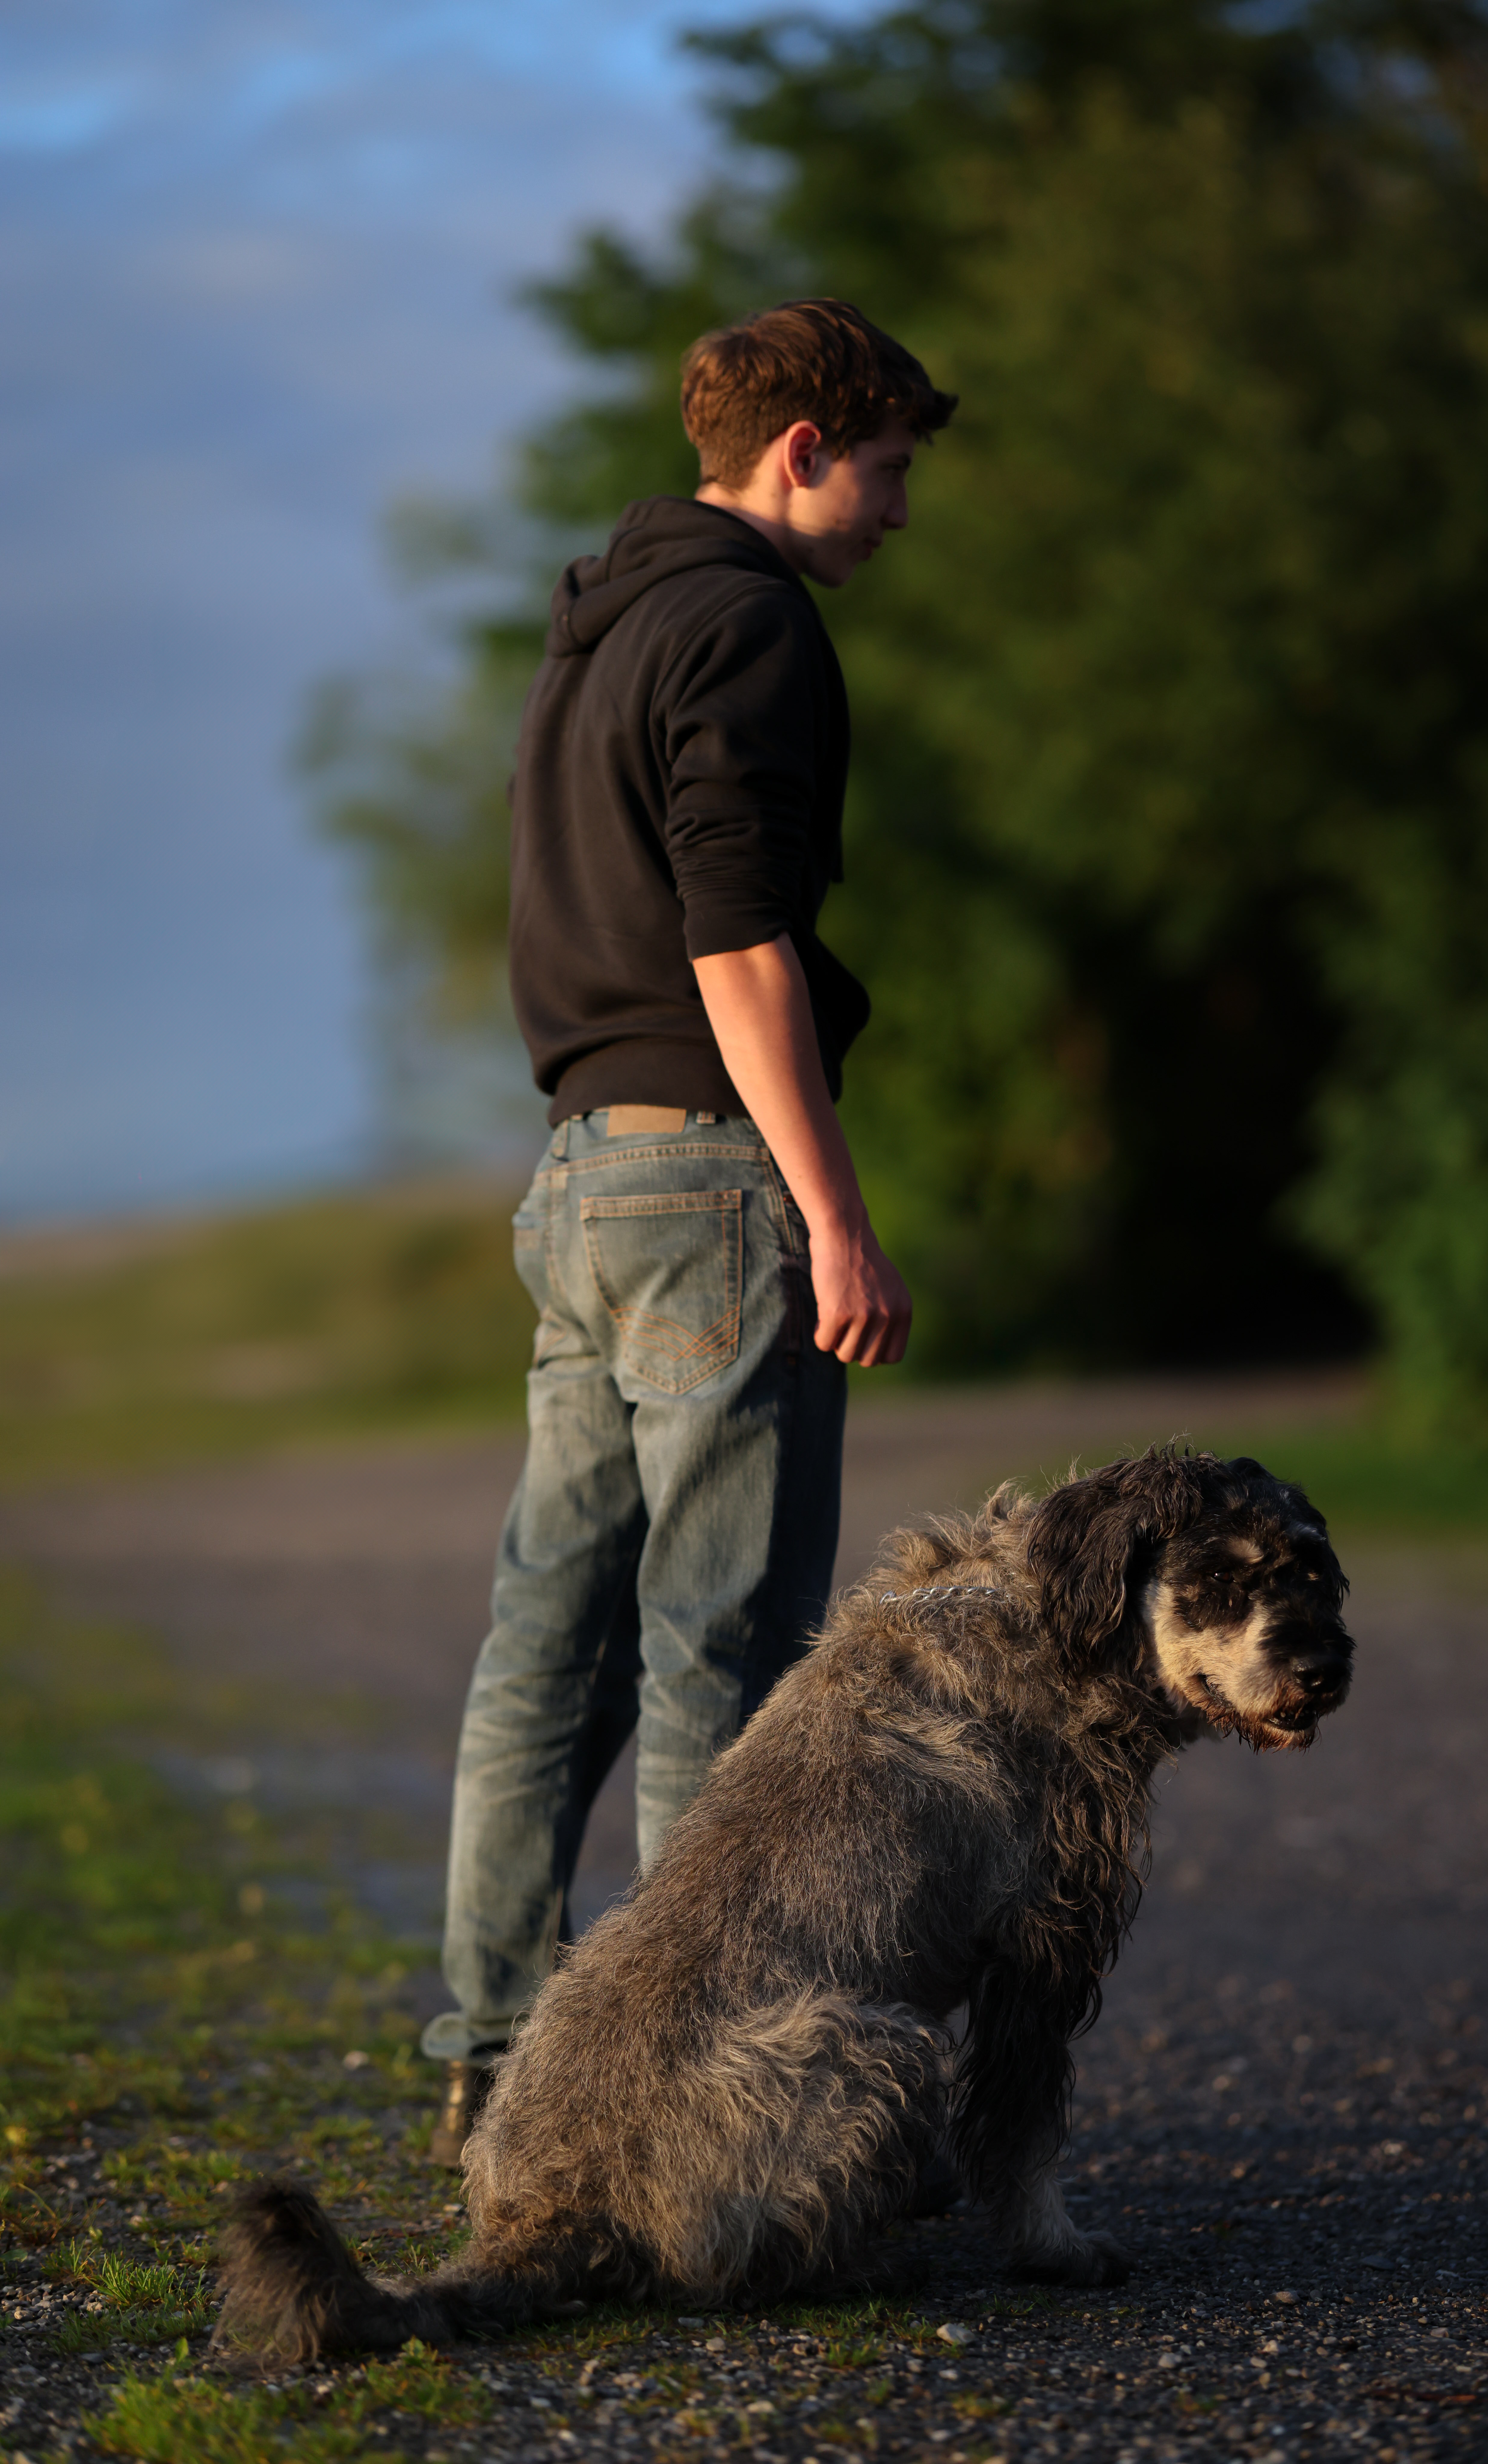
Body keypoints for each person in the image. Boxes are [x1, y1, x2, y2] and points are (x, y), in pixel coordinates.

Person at [422, 298, 957, 2163]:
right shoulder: (749, 624)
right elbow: (736, 944)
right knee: (716, 1658)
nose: (897, 510)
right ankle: (678, 2108)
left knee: (544, 1655)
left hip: (577, 1176)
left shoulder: (594, 635)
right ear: (800, 449)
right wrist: (835, 1218)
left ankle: (501, 2075)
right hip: (708, 1176)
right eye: (885, 471)